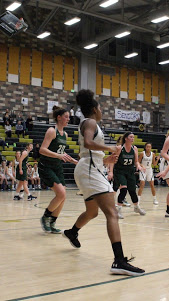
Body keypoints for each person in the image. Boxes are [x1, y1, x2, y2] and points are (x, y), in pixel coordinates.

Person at [62, 89, 144, 276]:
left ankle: (72, 232)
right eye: (100, 107)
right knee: (112, 212)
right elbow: (89, 143)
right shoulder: (90, 122)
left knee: (92, 212)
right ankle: (119, 261)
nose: (101, 111)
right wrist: (109, 147)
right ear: (94, 109)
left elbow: (89, 150)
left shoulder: (89, 123)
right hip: (89, 169)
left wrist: (106, 160)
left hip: (90, 167)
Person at [38, 106, 78, 234]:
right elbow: (42, 149)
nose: (68, 119)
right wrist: (59, 156)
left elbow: (60, 151)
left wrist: (72, 160)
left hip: (57, 166)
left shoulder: (65, 134)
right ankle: (45, 217)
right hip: (46, 166)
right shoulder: (51, 130)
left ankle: (53, 222)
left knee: (63, 196)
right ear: (59, 117)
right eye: (66, 117)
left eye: (69, 117)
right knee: (61, 193)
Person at [109, 132, 146, 219]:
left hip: (130, 171)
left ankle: (137, 207)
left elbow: (136, 161)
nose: (132, 139)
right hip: (120, 171)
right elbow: (112, 160)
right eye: (131, 137)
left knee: (132, 191)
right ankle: (118, 210)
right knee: (124, 189)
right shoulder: (119, 148)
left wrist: (139, 167)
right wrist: (111, 172)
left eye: (133, 137)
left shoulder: (134, 148)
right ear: (126, 138)